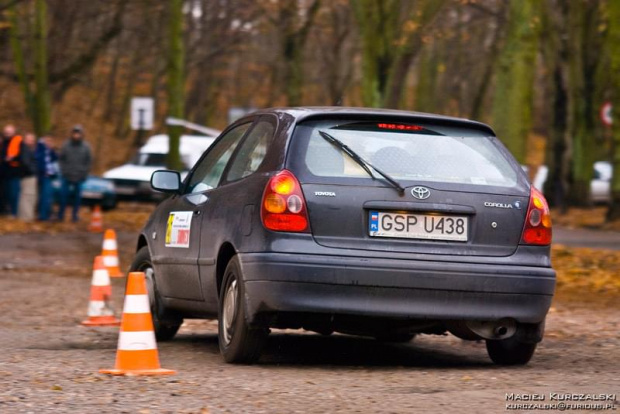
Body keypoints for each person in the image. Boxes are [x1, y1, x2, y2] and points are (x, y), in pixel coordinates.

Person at [58, 125, 92, 222]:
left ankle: (75, 216)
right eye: (75, 133)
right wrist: (63, 171)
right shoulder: (66, 145)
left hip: (79, 176)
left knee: (77, 199)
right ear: (72, 134)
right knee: (63, 197)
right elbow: (61, 159)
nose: (76, 135)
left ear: (81, 134)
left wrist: (84, 173)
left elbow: (88, 161)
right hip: (66, 176)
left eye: (78, 133)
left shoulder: (86, 147)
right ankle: (61, 215)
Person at [36, 135, 58, 221]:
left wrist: (52, 149)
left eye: (50, 141)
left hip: (50, 176)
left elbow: (55, 158)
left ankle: (46, 214)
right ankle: (43, 216)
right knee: (44, 197)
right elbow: (39, 161)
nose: (49, 143)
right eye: (47, 141)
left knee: (48, 196)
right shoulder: (40, 149)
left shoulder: (49, 150)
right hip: (44, 176)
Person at [3, 125, 24, 217]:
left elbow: (22, 157)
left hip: (14, 174)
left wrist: (12, 158)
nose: (8, 134)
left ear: (14, 132)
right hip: (4, 174)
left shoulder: (18, 142)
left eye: (10, 132)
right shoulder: (3, 142)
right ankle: (6, 212)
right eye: (6, 132)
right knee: (5, 194)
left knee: (14, 194)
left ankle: (14, 213)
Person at [17, 133, 38, 222]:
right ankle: (25, 218)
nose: (32, 141)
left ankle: (27, 216)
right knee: (27, 197)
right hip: (28, 176)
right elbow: (26, 163)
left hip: (27, 176)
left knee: (29, 196)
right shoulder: (25, 149)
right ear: (25, 140)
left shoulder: (27, 149)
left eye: (33, 140)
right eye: (30, 139)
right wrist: (33, 171)